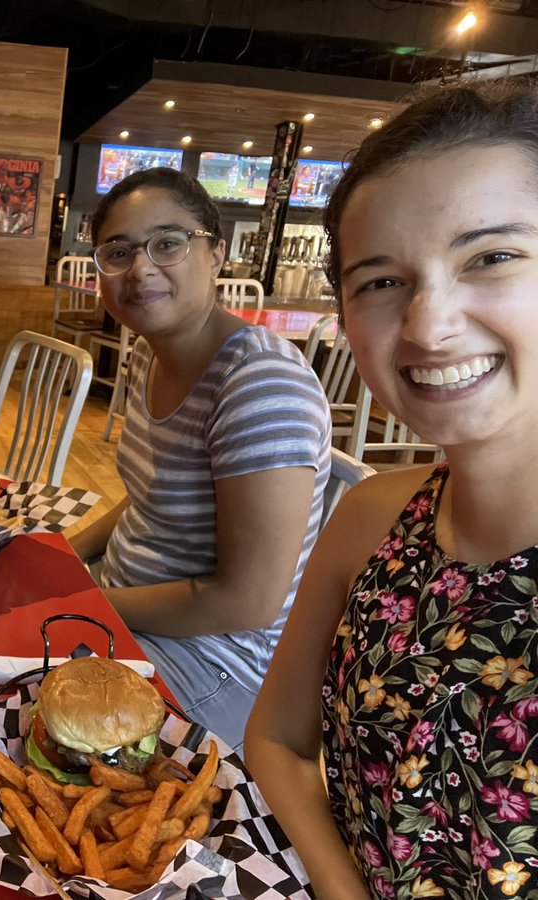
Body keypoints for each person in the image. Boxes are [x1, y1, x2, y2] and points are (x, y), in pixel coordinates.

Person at [244, 82, 538, 898]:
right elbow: (275, 737)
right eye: (380, 281)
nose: (427, 324)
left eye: (492, 257)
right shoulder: (375, 513)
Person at [67, 167, 331, 754]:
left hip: (219, 664)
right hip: (132, 613)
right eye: (118, 251)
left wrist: (80, 601)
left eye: (167, 243)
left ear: (216, 253)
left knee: (8, 714)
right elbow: (151, 495)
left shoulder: (259, 384)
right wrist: (65, 554)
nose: (140, 268)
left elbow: (247, 601)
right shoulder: (147, 355)